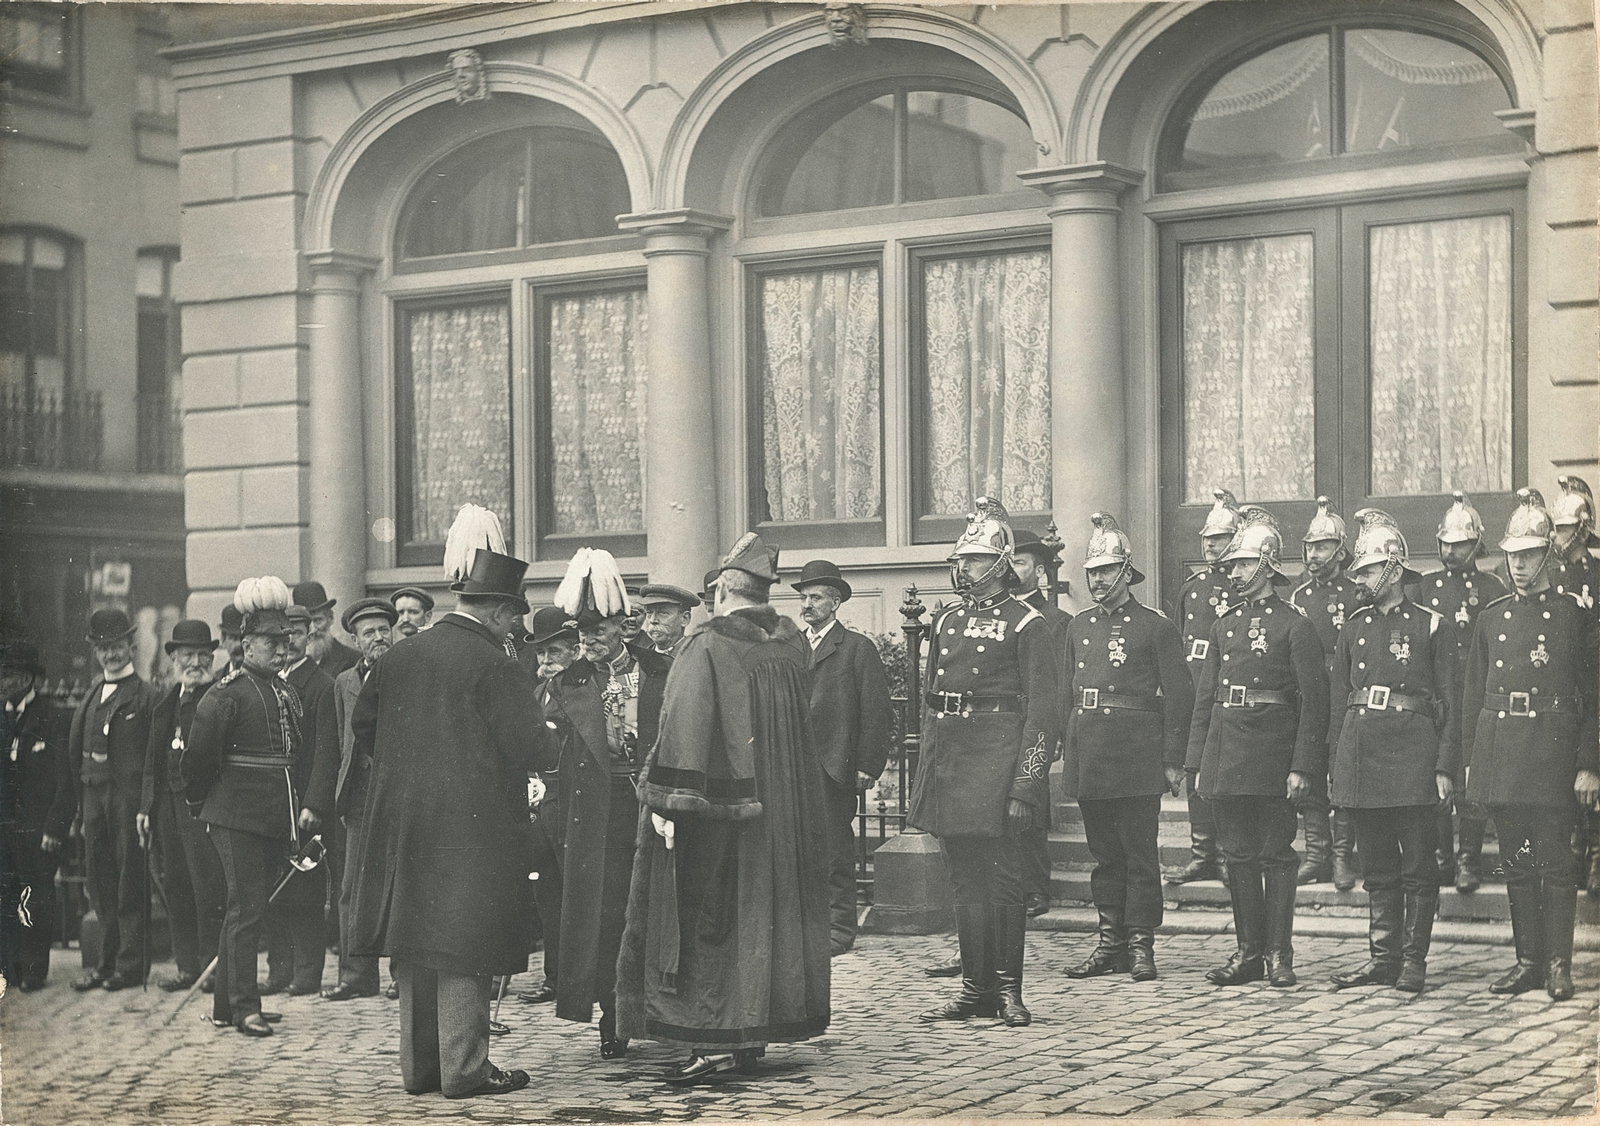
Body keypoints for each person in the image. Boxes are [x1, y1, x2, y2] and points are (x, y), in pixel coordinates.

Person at [350, 506, 552, 1098]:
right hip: (472, 826)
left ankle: (421, 1069)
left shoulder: (397, 657)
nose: (515, 626)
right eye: (513, 615)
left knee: (415, 939)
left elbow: (365, 728)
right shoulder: (497, 665)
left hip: (403, 823)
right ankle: (464, 1069)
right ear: (495, 610)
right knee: (466, 938)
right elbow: (531, 747)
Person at [616, 531, 831, 1084]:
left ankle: (714, 1038)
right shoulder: (788, 645)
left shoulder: (707, 643)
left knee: (711, 915)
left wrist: (666, 803)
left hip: (722, 812)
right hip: (779, 813)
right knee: (764, 915)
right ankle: (752, 1033)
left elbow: (685, 728)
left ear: (721, 591)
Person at [910, 497, 1056, 1028]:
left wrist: (1025, 787)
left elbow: (1044, 714)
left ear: (999, 563)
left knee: (1004, 883)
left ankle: (1010, 990)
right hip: (952, 765)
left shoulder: (1028, 623)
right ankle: (975, 990)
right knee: (964, 883)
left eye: (974, 559)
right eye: (962, 558)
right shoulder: (946, 620)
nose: (963, 567)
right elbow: (930, 704)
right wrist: (927, 779)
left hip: (999, 768)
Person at [1461, 489, 1599, 1002]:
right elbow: (1475, 697)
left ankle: (1560, 963)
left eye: (1528, 555)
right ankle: (1527, 961)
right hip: (1504, 754)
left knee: (1557, 864)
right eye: (1512, 555)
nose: (1517, 566)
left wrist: (1590, 765)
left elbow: (1594, 697)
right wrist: (1472, 763)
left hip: (1553, 755)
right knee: (1517, 862)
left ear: (1548, 555)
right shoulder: (1491, 618)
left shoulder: (1572, 616)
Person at [1187, 507, 1329, 988]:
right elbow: (1205, 700)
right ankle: (1248, 952)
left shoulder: (1296, 626)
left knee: (1277, 854)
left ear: (1268, 566)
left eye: (1244, 564)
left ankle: (1278, 954)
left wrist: (1303, 766)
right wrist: (1198, 763)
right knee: (1237, 855)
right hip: (1228, 755)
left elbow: (1314, 705)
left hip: (1273, 758)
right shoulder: (1223, 626)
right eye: (1232, 565)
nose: (1234, 572)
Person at [542, 551, 672, 1058]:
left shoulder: (661, 670)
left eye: (599, 630)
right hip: (593, 814)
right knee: (602, 916)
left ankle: (659, 1009)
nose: (589, 641)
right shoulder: (566, 682)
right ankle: (612, 1014)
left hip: (650, 807)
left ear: (624, 625)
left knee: (653, 911)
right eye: (583, 632)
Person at [181, 578, 325, 1037]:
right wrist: (205, 806)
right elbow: (198, 761)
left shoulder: (283, 692)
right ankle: (246, 1008)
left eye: (285, 642)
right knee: (247, 913)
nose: (281, 651)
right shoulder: (225, 694)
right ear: (245, 644)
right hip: (234, 818)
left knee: (245, 910)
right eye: (270, 642)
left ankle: (227, 1006)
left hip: (270, 818)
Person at [1327, 510, 1458, 995]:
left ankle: (1413, 961)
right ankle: (1382, 958)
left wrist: (1444, 766)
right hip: (1362, 756)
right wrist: (1336, 767)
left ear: (1394, 570)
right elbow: (1340, 703)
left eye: (1367, 570)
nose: (1358, 579)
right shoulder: (1352, 627)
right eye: (1358, 570)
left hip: (1413, 758)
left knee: (1418, 867)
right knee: (1377, 867)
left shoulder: (1431, 626)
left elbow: (1451, 703)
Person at [1060, 514, 1192, 982]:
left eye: (1105, 570)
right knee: (1104, 855)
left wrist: (1174, 760)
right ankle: (1109, 942)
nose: (1096, 579)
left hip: (1136, 756)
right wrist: (1065, 748)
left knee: (1138, 853)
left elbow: (1180, 696)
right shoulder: (1078, 627)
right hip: (1092, 752)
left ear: (1126, 572)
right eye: (1091, 571)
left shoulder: (1155, 626)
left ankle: (1141, 945)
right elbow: (1066, 692)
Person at [793, 558, 892, 956]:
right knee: (798, 849)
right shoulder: (791, 648)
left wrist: (869, 765)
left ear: (835, 602)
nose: (807, 604)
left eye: (816, 597)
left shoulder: (856, 649)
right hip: (794, 765)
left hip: (833, 767)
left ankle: (839, 929)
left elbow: (876, 711)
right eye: (803, 597)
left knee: (835, 852)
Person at [1415, 493, 1506, 893]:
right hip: (1437, 688)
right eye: (1447, 544)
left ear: (1477, 544)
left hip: (1477, 689)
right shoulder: (1424, 586)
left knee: (1470, 772)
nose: (1453, 552)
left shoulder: (1493, 586)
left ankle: (1468, 857)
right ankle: (1441, 857)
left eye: (1462, 544)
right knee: (1437, 771)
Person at [68, 608, 160, 991]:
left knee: (129, 881)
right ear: (95, 652)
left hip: (126, 798)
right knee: (99, 880)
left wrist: (145, 806)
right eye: (103, 648)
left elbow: (153, 757)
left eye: (117, 646)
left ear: (131, 646)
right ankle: (105, 964)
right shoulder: (91, 692)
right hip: (93, 796)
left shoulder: (146, 695)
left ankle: (131, 966)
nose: (111, 654)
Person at [138, 620, 226, 993]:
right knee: (175, 884)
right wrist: (146, 807)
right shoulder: (165, 702)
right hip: (168, 809)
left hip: (203, 807)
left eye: (202, 655)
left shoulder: (220, 698)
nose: (195, 662)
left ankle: (211, 966)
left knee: (206, 885)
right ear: (173, 659)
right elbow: (152, 760)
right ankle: (187, 965)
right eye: (187, 655)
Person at [258, 603, 338, 998]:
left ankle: (307, 970)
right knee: (273, 885)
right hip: (271, 801)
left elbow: (327, 752)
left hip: (302, 802)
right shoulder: (266, 684)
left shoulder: (321, 685)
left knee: (304, 887)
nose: (287, 643)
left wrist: (315, 803)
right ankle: (279, 968)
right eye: (279, 636)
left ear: (309, 636)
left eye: (295, 634)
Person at [321, 597, 398, 1002]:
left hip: (397, 793)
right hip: (357, 797)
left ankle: (403, 975)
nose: (379, 638)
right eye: (369, 633)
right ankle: (356, 975)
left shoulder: (406, 674)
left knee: (400, 883)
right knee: (351, 887)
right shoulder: (344, 683)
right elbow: (340, 742)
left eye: (384, 630)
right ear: (355, 638)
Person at [1168, 488, 1240, 886]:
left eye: (1220, 538)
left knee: (1223, 773)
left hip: (1226, 690)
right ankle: (1202, 853)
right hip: (1195, 689)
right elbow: (1180, 643)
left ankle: (1229, 856)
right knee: (1194, 769)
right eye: (1207, 538)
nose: (1211, 545)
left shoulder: (1242, 585)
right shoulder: (1192, 587)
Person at [1290, 497, 1361, 890]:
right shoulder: (1300, 597)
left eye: (1321, 547)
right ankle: (1316, 853)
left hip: (1346, 691)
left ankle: (1342, 859)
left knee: (1344, 769)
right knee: (1311, 766)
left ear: (1340, 551)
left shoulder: (1356, 592)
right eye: (1309, 547)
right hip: (1311, 692)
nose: (1313, 555)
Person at [516, 606, 582, 1006]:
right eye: (541, 654)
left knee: (575, 892)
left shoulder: (582, 690)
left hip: (570, 800)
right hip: (538, 803)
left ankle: (576, 976)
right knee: (547, 895)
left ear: (574, 650)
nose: (546, 661)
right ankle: (554, 977)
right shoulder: (537, 691)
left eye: (554, 651)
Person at [0, 639, 73, 991]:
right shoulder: (2, 717)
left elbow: (65, 780)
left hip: (37, 830)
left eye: (12, 675)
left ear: (29, 678)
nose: (5, 682)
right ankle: (11, 966)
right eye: (3, 675)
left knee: (37, 896)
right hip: (6, 828)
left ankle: (34, 968)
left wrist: (55, 827)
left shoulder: (51, 717)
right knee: (8, 894)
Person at [1011, 530, 1070, 918]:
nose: (1012, 569)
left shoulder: (1054, 620)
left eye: (1019, 562)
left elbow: (1062, 681)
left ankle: (1036, 886)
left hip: (1036, 721)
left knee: (1030, 805)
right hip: (999, 723)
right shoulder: (996, 615)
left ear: (1040, 571)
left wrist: (1059, 731)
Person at [1549, 475, 1600, 897]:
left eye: (1563, 528)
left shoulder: (1597, 573)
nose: (1556, 535)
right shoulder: (1548, 574)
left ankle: (1596, 850)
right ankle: (1574, 846)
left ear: (1582, 528)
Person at [294, 580, 360, 679]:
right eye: (307, 623)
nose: (313, 630)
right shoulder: (287, 661)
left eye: (318, 620)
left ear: (331, 619)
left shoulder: (353, 660)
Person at [638, 584, 700, 659]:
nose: (652, 620)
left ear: (684, 619)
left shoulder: (697, 656)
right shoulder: (640, 657)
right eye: (649, 612)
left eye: (663, 613)